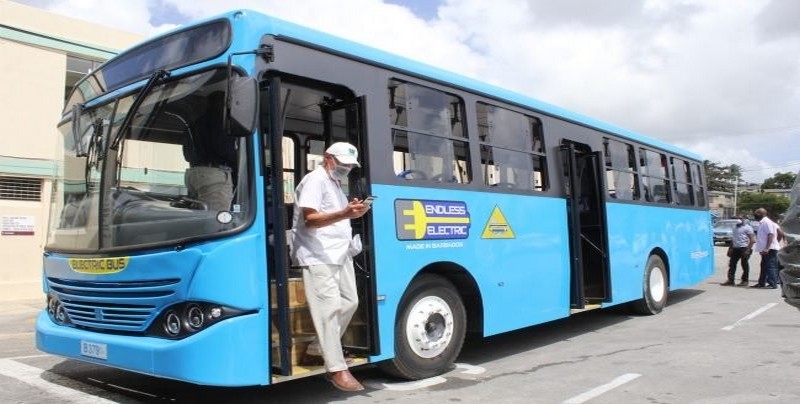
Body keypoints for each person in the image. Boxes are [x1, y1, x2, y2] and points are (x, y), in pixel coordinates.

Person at [289, 142, 369, 392]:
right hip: (317, 253)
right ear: (327, 158)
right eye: (342, 164)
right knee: (329, 309)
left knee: (350, 302)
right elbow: (310, 219)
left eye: (349, 166)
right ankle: (336, 369)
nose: (345, 168)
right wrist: (346, 214)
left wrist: (352, 212)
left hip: (339, 252)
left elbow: (335, 216)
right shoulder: (315, 180)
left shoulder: (334, 183)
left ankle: (315, 350)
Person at [183, 92, 237, 211]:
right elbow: (223, 148)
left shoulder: (195, 123)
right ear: (223, 104)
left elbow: (186, 154)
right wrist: (238, 160)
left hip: (193, 174)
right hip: (213, 175)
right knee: (217, 218)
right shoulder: (220, 122)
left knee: (199, 216)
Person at [751, 208, 782, 289]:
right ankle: (761, 283)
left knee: (770, 266)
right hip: (765, 249)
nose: (756, 214)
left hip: (769, 249)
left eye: (758, 212)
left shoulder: (767, 222)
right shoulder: (762, 223)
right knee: (764, 266)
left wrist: (767, 247)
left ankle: (773, 283)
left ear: (764, 214)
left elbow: (770, 235)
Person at [721, 217, 755, 286]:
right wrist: (730, 248)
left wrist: (748, 249)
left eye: (741, 218)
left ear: (744, 220)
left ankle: (745, 281)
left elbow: (752, 240)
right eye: (738, 218)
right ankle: (730, 280)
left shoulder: (747, 228)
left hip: (744, 248)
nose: (739, 219)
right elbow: (734, 239)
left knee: (744, 265)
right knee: (732, 264)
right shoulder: (734, 227)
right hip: (735, 248)